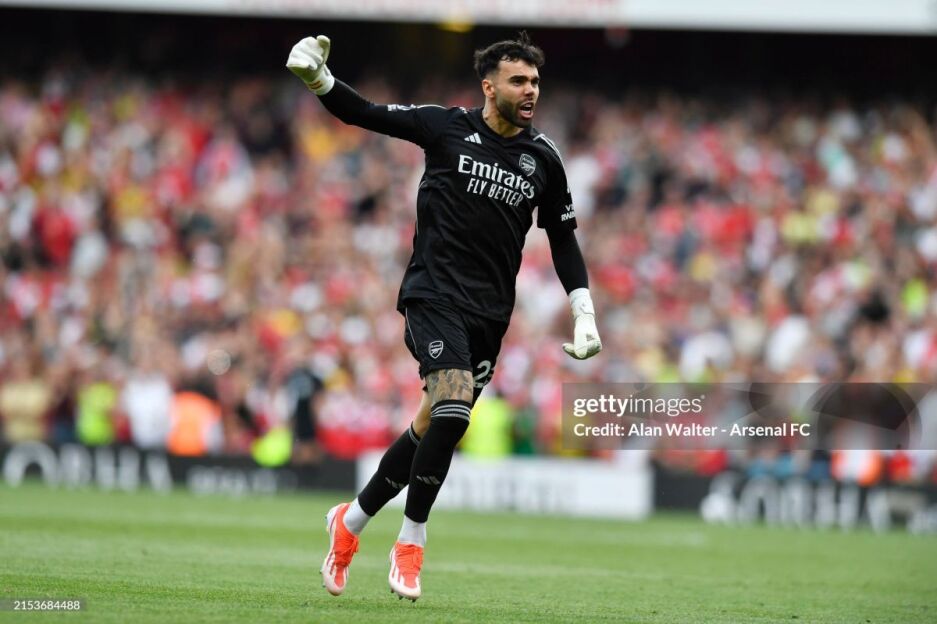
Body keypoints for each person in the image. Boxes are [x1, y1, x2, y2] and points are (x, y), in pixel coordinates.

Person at [286, 31, 602, 601]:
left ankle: (350, 521)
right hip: (432, 296)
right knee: (454, 404)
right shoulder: (445, 126)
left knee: (435, 423)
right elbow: (363, 113)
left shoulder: (544, 159)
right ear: (489, 87)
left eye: (535, 81)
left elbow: (563, 239)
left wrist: (583, 309)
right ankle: (411, 541)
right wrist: (318, 79)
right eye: (518, 80)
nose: (531, 90)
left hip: (490, 315)